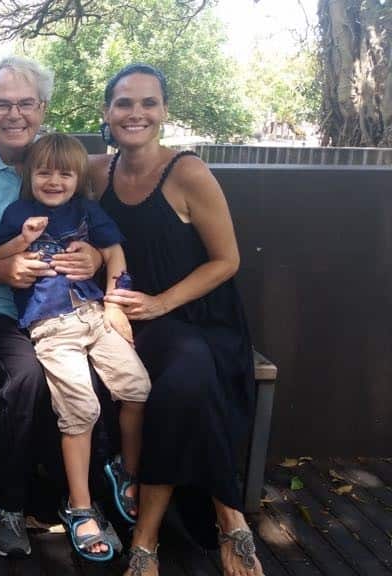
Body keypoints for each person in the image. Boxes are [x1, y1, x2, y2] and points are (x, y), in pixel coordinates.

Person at [91, 63, 262, 576]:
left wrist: (163, 302)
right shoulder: (97, 172)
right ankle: (228, 516)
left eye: (148, 103)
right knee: (177, 374)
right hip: (128, 322)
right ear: (106, 112)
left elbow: (227, 260)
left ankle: (150, 539)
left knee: (187, 374)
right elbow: (31, 162)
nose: (135, 113)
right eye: (124, 103)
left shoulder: (187, 172)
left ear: (164, 112)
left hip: (199, 318)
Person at [0, 56, 101, 558]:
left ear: (43, 108)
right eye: (2, 104)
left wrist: (94, 255)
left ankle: (86, 501)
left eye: (25, 103)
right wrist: (2, 271)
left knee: (104, 364)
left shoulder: (58, 164)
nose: (15, 114)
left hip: (56, 306)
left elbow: (92, 231)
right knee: (25, 374)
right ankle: (7, 503)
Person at [0, 132, 150, 562]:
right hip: (52, 326)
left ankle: (124, 470)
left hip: (95, 314)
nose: (54, 181)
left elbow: (114, 252)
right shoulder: (19, 212)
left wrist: (116, 302)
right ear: (29, 175)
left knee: (137, 387)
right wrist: (22, 239)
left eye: (65, 174)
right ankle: (80, 505)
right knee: (82, 409)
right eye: (44, 172)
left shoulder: (87, 212)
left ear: (79, 179)